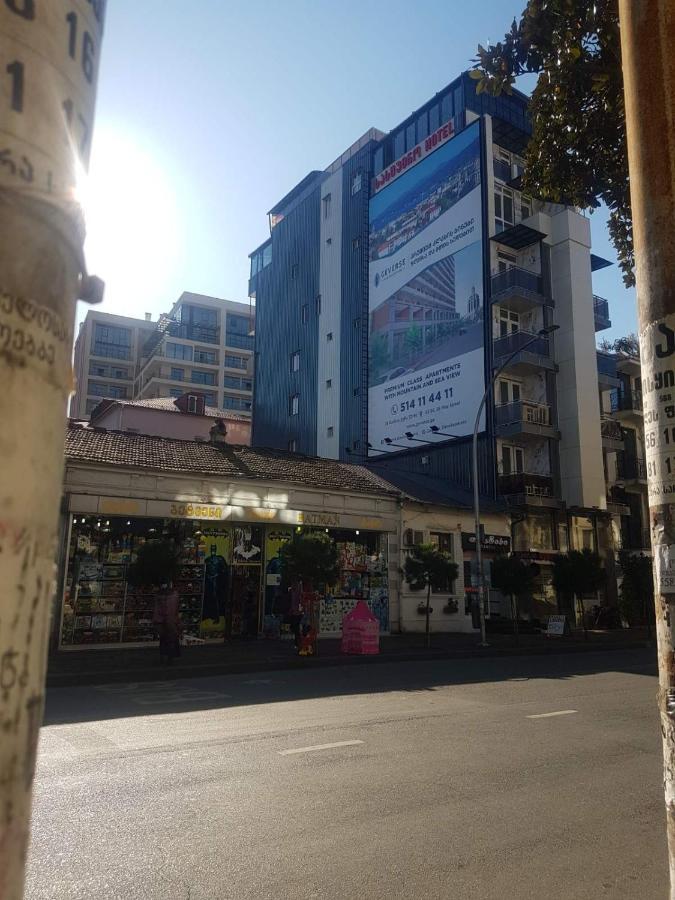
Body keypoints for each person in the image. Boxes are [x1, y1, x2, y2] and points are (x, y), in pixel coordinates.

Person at [153, 584, 181, 665]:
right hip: (170, 620)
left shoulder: (159, 596)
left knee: (164, 639)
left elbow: (157, 609)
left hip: (163, 620)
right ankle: (169, 658)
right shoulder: (174, 595)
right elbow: (175, 609)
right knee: (170, 639)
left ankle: (165, 657)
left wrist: (156, 621)